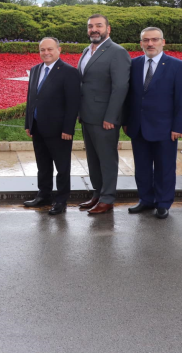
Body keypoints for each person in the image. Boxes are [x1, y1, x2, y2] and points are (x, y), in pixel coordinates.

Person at [123, 27, 182, 219]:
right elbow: (129, 96)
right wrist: (127, 121)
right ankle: (146, 200)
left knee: (164, 167)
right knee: (142, 167)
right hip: (138, 127)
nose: (150, 44)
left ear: (163, 42)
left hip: (165, 128)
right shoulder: (133, 64)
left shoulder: (177, 66)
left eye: (154, 40)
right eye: (146, 40)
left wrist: (178, 127)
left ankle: (163, 202)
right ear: (141, 44)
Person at [76, 14, 131, 215]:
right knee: (93, 159)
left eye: (99, 26)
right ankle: (97, 194)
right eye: (90, 26)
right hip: (87, 116)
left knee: (107, 159)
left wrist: (111, 117)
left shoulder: (117, 52)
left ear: (108, 29)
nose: (94, 29)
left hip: (105, 118)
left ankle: (108, 198)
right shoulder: (86, 50)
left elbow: (120, 87)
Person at [23, 37, 81, 215]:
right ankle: (44, 195)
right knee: (43, 165)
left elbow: (73, 103)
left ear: (59, 50)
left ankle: (61, 201)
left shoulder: (69, 72)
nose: (46, 53)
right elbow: (31, 98)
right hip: (38, 127)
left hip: (59, 130)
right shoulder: (35, 70)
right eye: (42, 50)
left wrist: (68, 129)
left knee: (62, 168)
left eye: (50, 49)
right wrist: (28, 123)